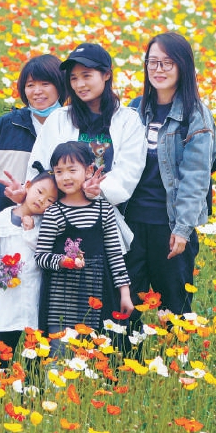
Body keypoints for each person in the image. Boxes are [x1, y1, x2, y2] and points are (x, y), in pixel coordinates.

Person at [124, 32, 216, 318]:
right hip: (129, 223)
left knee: (174, 310)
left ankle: (175, 361)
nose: (158, 70)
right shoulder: (134, 110)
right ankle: (126, 361)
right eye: (153, 62)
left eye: (167, 63)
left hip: (169, 226)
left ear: (183, 67)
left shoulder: (195, 114)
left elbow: (196, 178)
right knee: (125, 305)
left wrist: (182, 229)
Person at [14, 44, 145, 213]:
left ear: (106, 75)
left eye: (86, 76)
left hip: (106, 215)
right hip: (58, 215)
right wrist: (26, 207)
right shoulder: (59, 118)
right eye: (74, 78)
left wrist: (96, 189)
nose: (79, 84)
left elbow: (129, 173)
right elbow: (39, 168)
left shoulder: (129, 120)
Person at [0, 54, 66, 256]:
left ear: (60, 85)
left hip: (52, 227)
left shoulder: (70, 125)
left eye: (45, 84)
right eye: (30, 85)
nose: (37, 91)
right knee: (0, 282)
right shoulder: (8, 125)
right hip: (3, 222)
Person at [31, 142, 135, 346]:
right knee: (58, 356)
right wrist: (63, 261)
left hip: (98, 291)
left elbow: (115, 254)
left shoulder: (103, 209)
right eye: (59, 171)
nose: (66, 177)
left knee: (96, 356)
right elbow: (41, 256)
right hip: (60, 300)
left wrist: (124, 293)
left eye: (72, 170)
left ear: (89, 171)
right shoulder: (54, 212)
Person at [0, 171, 59, 368]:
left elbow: (45, 255)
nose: (41, 200)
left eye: (50, 200)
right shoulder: (2, 219)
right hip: (8, 295)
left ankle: (31, 395)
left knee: (34, 355)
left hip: (35, 298)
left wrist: (30, 231)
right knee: (1, 351)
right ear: (28, 186)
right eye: (39, 192)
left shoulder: (46, 225)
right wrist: (6, 272)